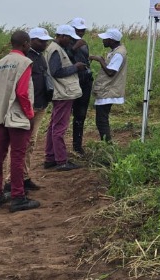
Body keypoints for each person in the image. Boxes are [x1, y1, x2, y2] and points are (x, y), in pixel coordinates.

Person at [0, 30, 39, 212]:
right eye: (29, 43)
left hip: (1, 115)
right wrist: (30, 115)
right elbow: (23, 93)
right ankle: (18, 197)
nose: (30, 46)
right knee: (17, 155)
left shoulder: (0, 63)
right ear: (25, 44)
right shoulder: (24, 63)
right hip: (17, 116)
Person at [11, 27, 53, 192]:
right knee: (23, 144)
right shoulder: (25, 58)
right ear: (30, 42)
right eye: (41, 41)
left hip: (40, 105)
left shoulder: (39, 57)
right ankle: (14, 180)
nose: (44, 44)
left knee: (32, 143)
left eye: (45, 41)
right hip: (28, 106)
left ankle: (25, 176)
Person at [43, 24, 84, 171]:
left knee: (54, 125)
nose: (71, 42)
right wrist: (76, 67)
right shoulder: (55, 49)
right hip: (63, 93)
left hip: (60, 93)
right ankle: (61, 160)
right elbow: (56, 71)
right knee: (59, 127)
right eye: (70, 39)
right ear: (62, 36)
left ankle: (50, 157)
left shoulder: (54, 48)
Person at [89, 28, 127, 142]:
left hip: (108, 91)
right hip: (108, 89)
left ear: (111, 40)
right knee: (102, 119)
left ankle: (107, 145)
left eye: (105, 39)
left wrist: (100, 60)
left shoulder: (119, 54)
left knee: (101, 120)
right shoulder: (117, 50)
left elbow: (111, 72)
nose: (103, 41)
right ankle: (106, 143)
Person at [67, 17, 93, 155]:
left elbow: (84, 59)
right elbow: (65, 58)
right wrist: (75, 47)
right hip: (71, 83)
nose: (81, 32)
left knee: (80, 115)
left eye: (83, 30)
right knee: (65, 115)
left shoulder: (84, 44)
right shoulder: (67, 43)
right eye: (79, 30)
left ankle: (77, 146)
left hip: (85, 82)